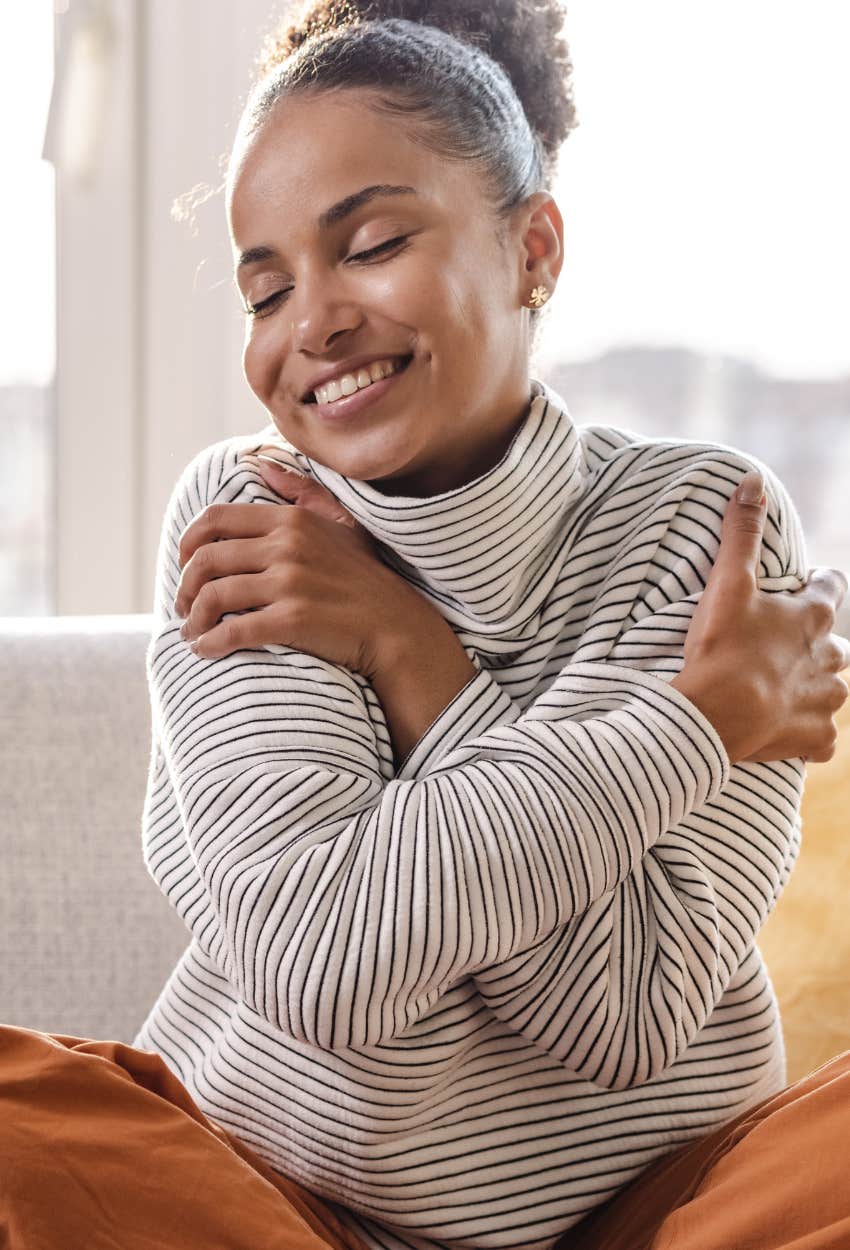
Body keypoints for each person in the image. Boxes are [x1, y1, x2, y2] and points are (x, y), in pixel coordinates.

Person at [3, 3, 850, 1249]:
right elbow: (324, 965)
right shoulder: (253, 518)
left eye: (373, 243)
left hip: (648, 1218)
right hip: (277, 1207)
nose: (314, 321)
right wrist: (692, 725)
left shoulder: (700, 524)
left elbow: (621, 1014)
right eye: (267, 286)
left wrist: (414, 655)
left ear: (533, 249)